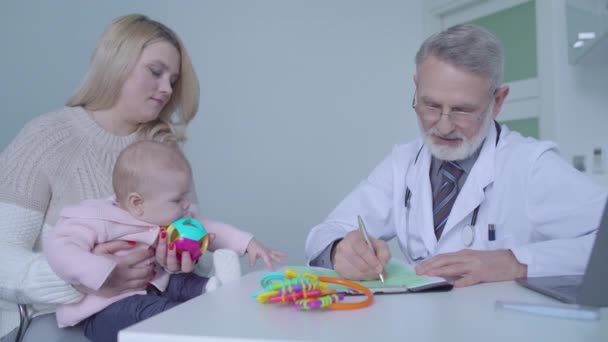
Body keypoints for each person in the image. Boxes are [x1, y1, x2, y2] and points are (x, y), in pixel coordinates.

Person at [0, 14, 284, 342]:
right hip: (52, 316)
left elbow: (193, 240)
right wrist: (82, 277)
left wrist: (180, 264)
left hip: (152, 306)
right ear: (115, 63)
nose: (166, 89)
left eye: (173, 80)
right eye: (155, 72)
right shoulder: (46, 138)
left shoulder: (162, 150)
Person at [305, 24, 607, 288]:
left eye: (462, 110)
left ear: (498, 101)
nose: (444, 125)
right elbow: (325, 233)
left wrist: (517, 262)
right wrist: (340, 250)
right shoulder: (404, 162)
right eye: (431, 105)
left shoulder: (530, 166)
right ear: (416, 88)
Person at [44, 140, 276, 342]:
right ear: (137, 203)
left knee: (180, 280)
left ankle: (214, 290)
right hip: (105, 310)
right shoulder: (97, 217)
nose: (187, 205)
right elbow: (60, 248)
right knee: (147, 312)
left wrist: (247, 243)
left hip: (153, 288)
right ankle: (188, 319)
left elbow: (208, 229)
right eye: (178, 199)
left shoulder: (165, 217)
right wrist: (100, 270)